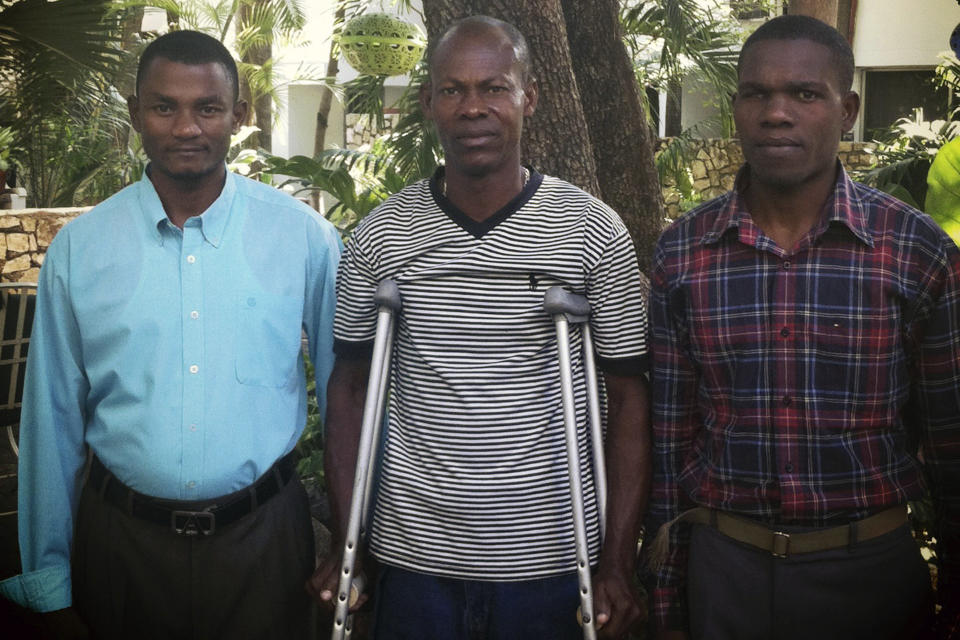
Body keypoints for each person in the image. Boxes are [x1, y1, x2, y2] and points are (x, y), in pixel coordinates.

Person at [306, 15, 651, 640]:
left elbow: (628, 396)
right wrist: (346, 542)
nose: (473, 108)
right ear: (427, 103)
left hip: (554, 561)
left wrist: (618, 562)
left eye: (494, 88)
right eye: (453, 89)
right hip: (412, 556)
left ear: (530, 98)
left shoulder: (591, 231)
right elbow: (350, 386)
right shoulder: (382, 235)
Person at [0, 30, 342, 639]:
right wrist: (48, 581)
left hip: (266, 546)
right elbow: (49, 421)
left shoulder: (303, 238)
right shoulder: (81, 250)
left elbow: (348, 396)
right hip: (122, 548)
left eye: (207, 108)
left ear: (238, 115)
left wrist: (350, 542)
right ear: (135, 114)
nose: (187, 127)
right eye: (164, 106)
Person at [646, 14, 959, 640]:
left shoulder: (913, 249)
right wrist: (664, 599)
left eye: (804, 94)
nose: (776, 113)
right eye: (756, 94)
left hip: (871, 572)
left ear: (847, 109)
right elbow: (669, 446)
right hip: (723, 570)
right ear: (737, 107)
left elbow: (951, 440)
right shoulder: (682, 254)